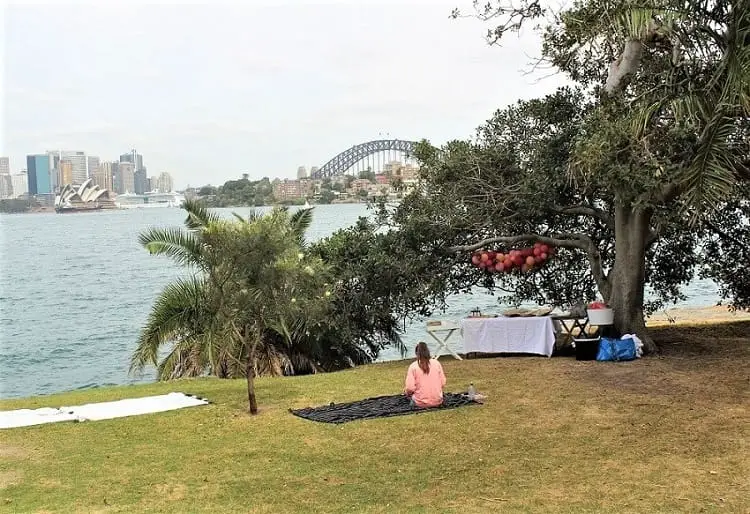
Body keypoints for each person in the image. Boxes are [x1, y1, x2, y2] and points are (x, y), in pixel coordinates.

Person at [404, 342, 446, 408]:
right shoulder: (436, 363)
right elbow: (443, 383)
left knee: (409, 398)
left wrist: (407, 393)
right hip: (438, 401)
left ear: (416, 353)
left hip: (420, 403)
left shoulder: (413, 366)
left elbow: (410, 388)